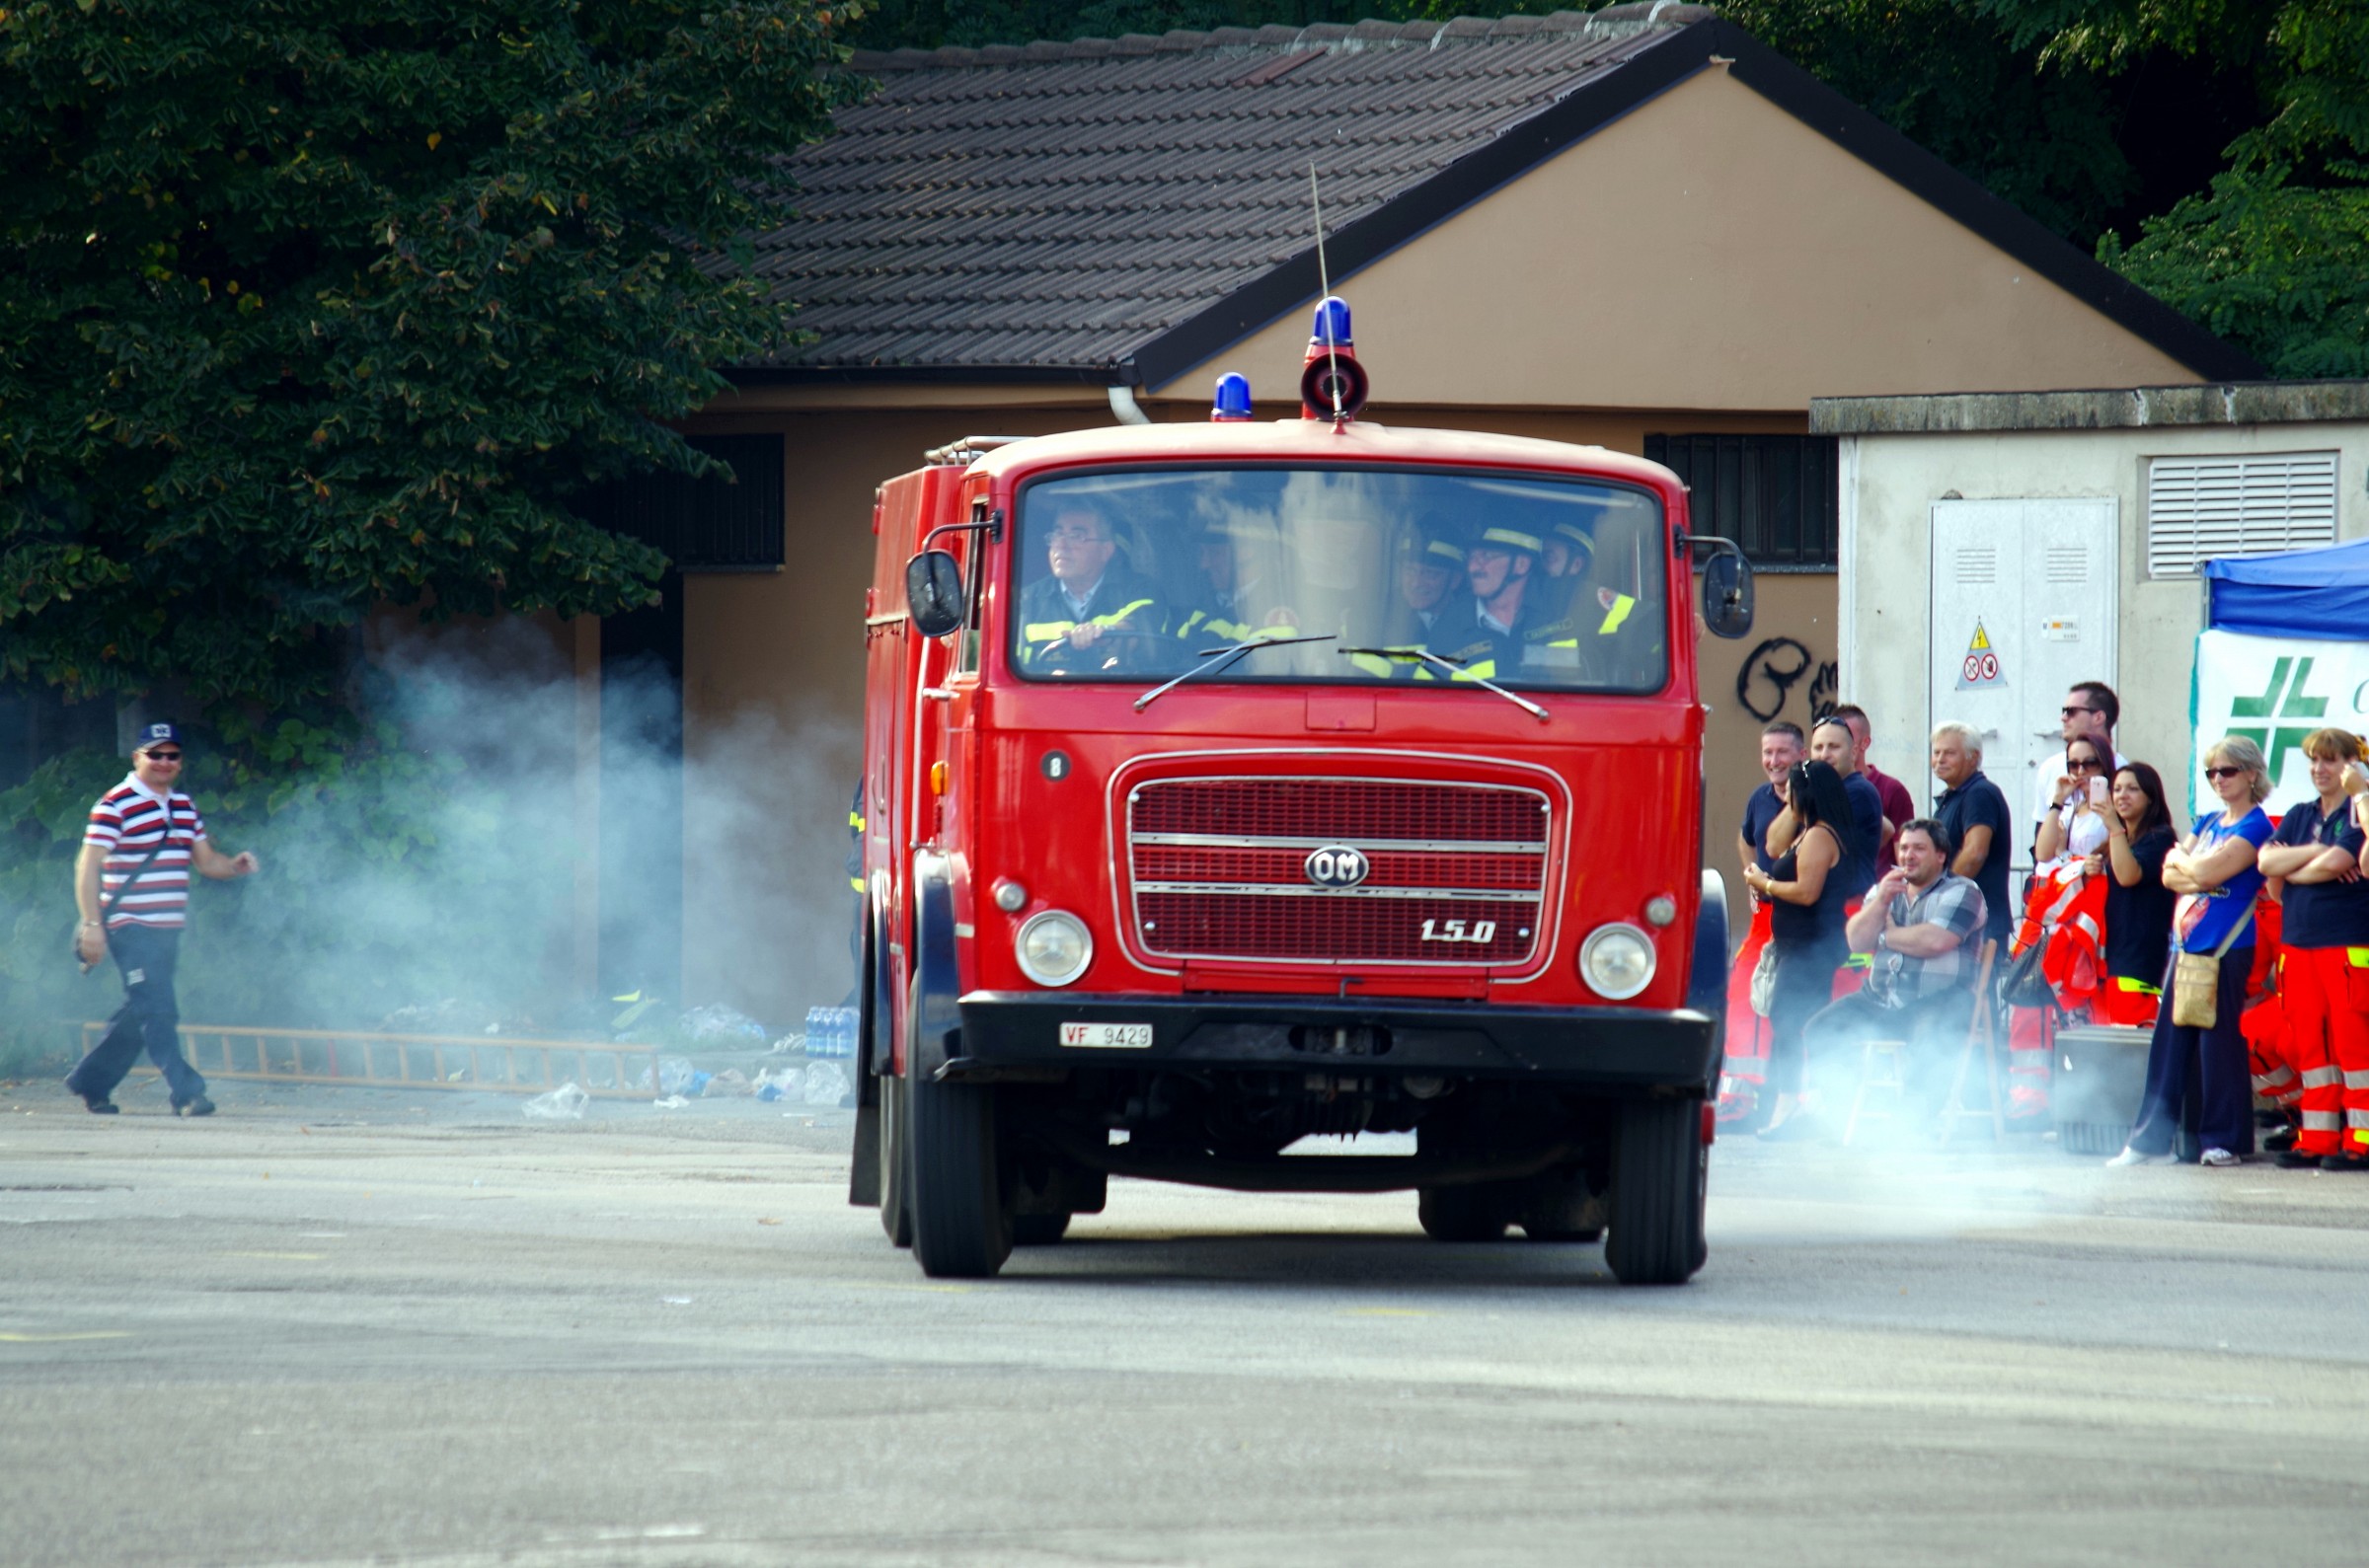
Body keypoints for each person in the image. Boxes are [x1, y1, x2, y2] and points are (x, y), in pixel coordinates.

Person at [64, 724, 260, 1116]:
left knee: (142, 1009)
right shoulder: (114, 804)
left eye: (172, 756)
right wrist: (91, 924)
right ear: (137, 758)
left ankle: (91, 1081)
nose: (164, 763)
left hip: (167, 928)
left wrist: (235, 867)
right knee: (158, 1008)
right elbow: (88, 865)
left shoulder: (183, 806)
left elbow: (206, 863)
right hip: (128, 925)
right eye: (155, 755)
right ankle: (186, 1091)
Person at [2109, 736, 2274, 1167]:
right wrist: (2194, 874)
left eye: (2227, 771)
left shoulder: (2256, 826)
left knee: (2218, 1047)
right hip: (2185, 946)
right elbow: (2170, 872)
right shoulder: (2208, 821)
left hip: (2225, 947)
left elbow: (2204, 869)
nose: (2218, 779)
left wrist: (2195, 872)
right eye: (2212, 773)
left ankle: (2223, 1139)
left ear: (2251, 774)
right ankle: (2148, 1140)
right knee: (2169, 1044)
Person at [1800, 819, 1990, 1122]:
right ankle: (1845, 1115)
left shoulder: (1964, 892)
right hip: (1879, 999)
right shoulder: (1884, 889)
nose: (1907, 856)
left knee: (1931, 1038)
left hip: (1941, 1000)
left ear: (1941, 855)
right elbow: (1857, 941)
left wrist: (1886, 936)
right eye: (1903, 848)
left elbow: (1936, 940)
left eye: (1918, 848)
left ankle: (1915, 1124)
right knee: (1820, 1029)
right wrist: (1881, 904)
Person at [2256, 729, 2369, 1171]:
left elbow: (2342, 862)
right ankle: (2318, 1136)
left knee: (2354, 1045)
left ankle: (2360, 1139)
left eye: (2332, 760)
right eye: (2315, 760)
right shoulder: (2302, 814)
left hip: (2345, 945)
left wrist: (2299, 864)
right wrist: (2315, 858)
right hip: (2298, 944)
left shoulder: (2358, 811)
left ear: (2353, 766)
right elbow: (2267, 866)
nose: (2321, 769)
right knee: (2312, 1047)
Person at [1740, 760, 1855, 1139]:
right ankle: (1794, 1105)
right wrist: (1768, 883)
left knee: (1790, 1026)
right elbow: (1775, 848)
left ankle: (1789, 1107)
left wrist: (1766, 883)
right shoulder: (1807, 834)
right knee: (1788, 1024)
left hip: (1812, 947)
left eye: (1792, 792)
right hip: (1797, 945)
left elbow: (1807, 892)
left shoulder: (1821, 836)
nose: (1786, 799)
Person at [1719, 720, 1805, 1127]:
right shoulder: (1759, 797)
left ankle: (1791, 1096)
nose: (1774, 760)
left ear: (1801, 755)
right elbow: (1745, 838)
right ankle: (1743, 1096)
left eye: (1782, 752)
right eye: (1768, 752)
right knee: (1742, 992)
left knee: (1789, 1003)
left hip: (1800, 914)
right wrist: (1751, 872)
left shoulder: (1811, 799)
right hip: (1764, 916)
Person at [1016, 500, 1165, 672]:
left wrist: (1105, 633)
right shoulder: (1026, 601)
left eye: (1077, 536)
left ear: (1105, 551)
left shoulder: (1140, 590)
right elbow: (1013, 672)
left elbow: (1137, 629)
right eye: (1057, 535)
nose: (1061, 545)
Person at [2089, 761, 2178, 1028]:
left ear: (2151, 798)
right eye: (2116, 789)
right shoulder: (2115, 842)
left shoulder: (2160, 838)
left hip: (2137, 965)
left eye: (2132, 789)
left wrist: (2114, 827)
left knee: (2130, 1055)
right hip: (2108, 963)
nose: (2121, 796)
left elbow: (2128, 875)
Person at [1768, 716, 1884, 901]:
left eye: (1834, 747)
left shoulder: (1858, 792)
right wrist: (1801, 790)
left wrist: (1765, 884)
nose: (1824, 755)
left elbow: (1791, 849)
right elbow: (1773, 846)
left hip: (1847, 911)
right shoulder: (1815, 791)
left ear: (1854, 752)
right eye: (1818, 748)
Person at [1932, 721, 2013, 950]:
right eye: (1936, 753)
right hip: (1964, 921)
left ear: (1973, 757)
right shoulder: (1954, 795)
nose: (1940, 759)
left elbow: (1975, 853)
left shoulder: (1979, 794)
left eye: (1949, 753)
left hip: (1978, 925)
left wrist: (1939, 896)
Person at [2033, 681, 2126, 844]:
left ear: (2098, 717)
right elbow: (2039, 836)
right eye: (2073, 765)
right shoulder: (2050, 767)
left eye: (2071, 711)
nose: (2063, 718)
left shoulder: (2123, 771)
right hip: (2054, 867)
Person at [1831, 704, 1914, 872]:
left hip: (1877, 891)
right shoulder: (1817, 790)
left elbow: (1905, 855)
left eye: (1847, 737)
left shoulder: (1891, 789)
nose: (1835, 747)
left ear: (1865, 743)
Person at [2033, 734, 2115, 869]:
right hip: (2077, 887)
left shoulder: (2116, 806)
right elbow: (2043, 854)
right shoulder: (2072, 806)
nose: (2081, 771)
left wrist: (2063, 854)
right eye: (2073, 765)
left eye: (2090, 763)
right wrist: (2057, 801)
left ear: (2103, 764)